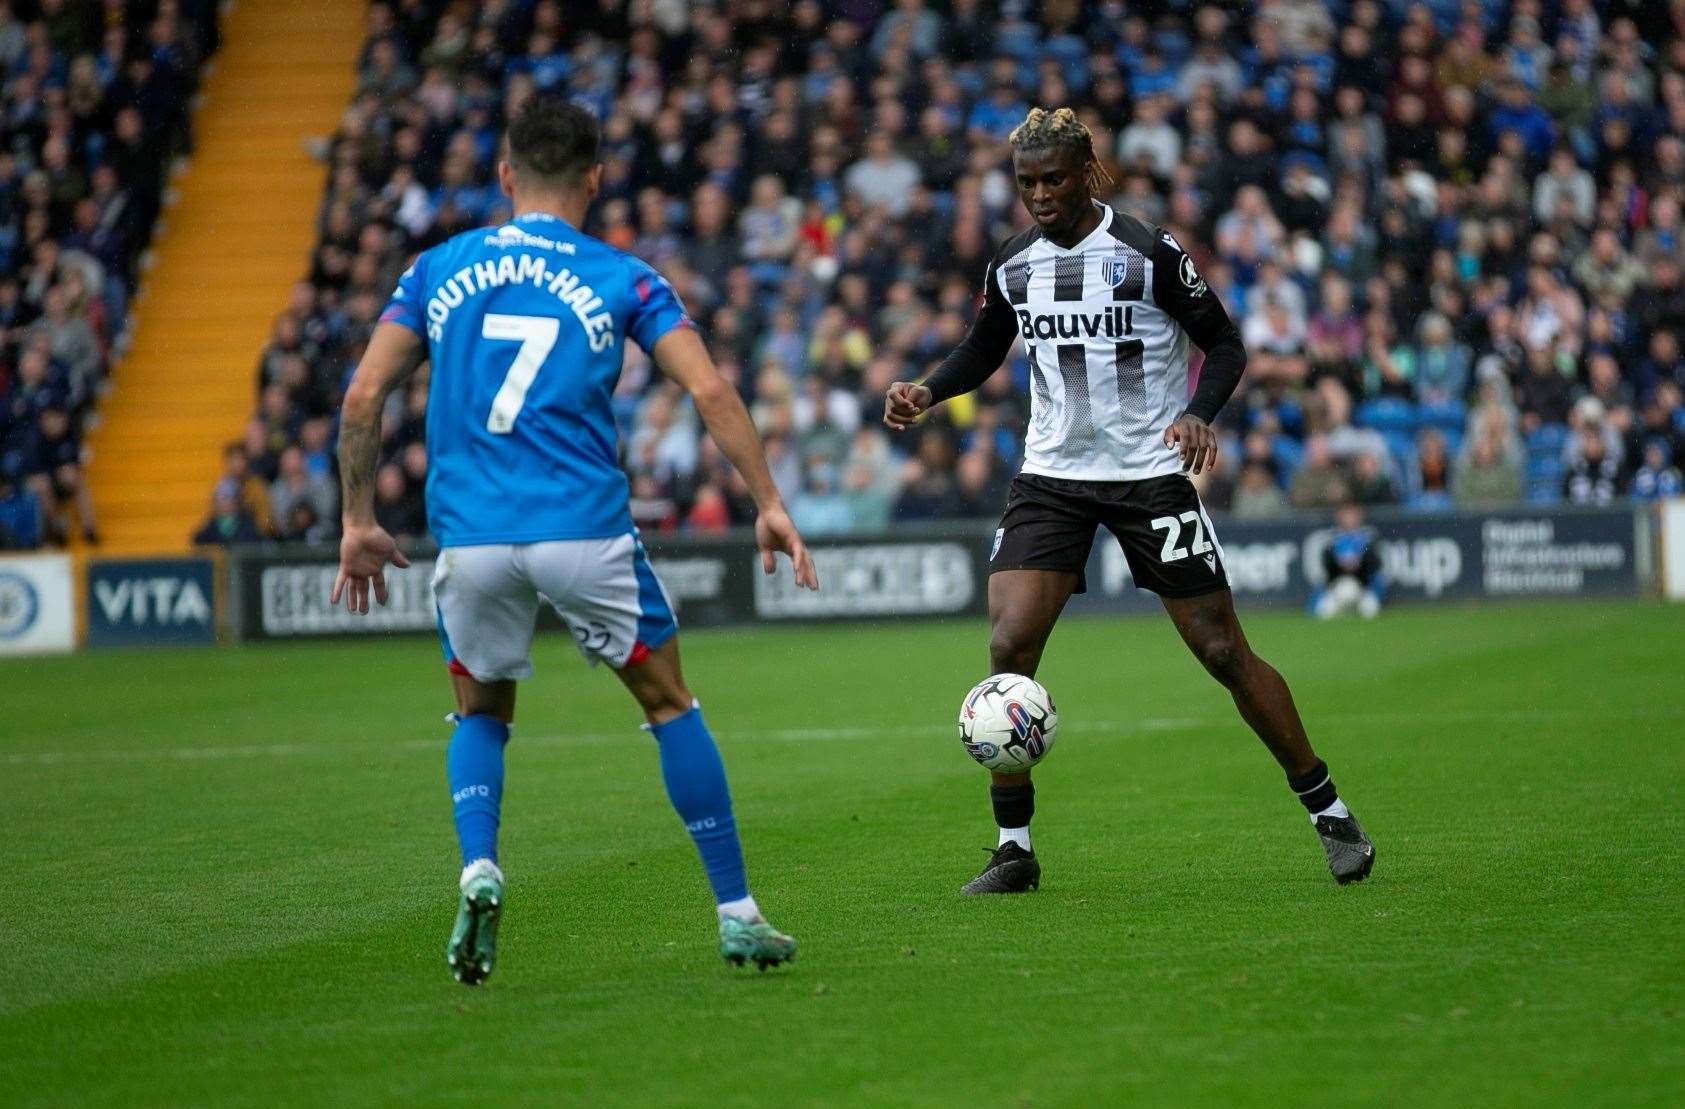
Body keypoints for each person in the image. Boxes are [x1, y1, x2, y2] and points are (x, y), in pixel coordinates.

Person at [330, 96, 818, 985]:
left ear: (506, 175)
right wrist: (769, 499)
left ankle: (480, 864)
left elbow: (364, 397)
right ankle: (737, 912)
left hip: (471, 538)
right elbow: (708, 390)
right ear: (595, 179)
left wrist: (359, 518)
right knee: (670, 705)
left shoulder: (435, 269)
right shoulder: (624, 276)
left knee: (481, 711)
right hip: (583, 530)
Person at [883, 107, 1375, 895]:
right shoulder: (1010, 264)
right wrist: (928, 389)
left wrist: (1196, 414)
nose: (1038, 194)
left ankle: (1329, 812)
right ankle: (1013, 847)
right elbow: (986, 345)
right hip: (1050, 477)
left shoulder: (1148, 251)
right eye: (1025, 182)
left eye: (1052, 179)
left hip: (1148, 474)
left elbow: (1226, 343)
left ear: (1087, 173)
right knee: (1009, 648)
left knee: (1222, 651)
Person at [1312, 502, 1385, 619]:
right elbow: (1327, 563)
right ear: (1339, 517)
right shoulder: (1333, 539)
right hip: (1337, 587)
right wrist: (1341, 564)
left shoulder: (1368, 538)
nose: (1349, 519)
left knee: (1371, 611)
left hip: (1363, 588)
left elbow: (1376, 563)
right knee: (1323, 612)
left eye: (1352, 515)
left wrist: (1359, 563)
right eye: (1346, 515)